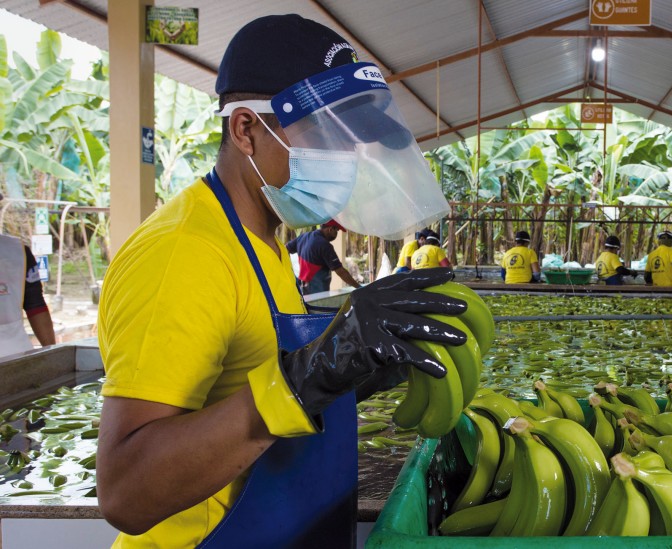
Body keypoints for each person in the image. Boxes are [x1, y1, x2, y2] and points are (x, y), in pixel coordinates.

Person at [95, 15, 468, 548]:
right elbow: (126, 492)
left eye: (353, 142)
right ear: (246, 129)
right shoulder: (185, 253)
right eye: (327, 136)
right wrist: (307, 377)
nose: (348, 159)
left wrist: (357, 371)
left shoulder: (263, 237)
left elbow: (247, 386)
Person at [0, 232, 56, 357]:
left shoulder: (18, 251)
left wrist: (52, 353)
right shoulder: (17, 250)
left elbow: (36, 307)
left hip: (15, 354)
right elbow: (36, 306)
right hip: (16, 351)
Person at [285, 220, 360, 295]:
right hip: (318, 294)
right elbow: (340, 271)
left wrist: (288, 269)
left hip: (302, 290)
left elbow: (285, 249)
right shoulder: (324, 245)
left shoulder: (304, 237)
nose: (336, 234)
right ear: (330, 229)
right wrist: (358, 287)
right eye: (336, 231)